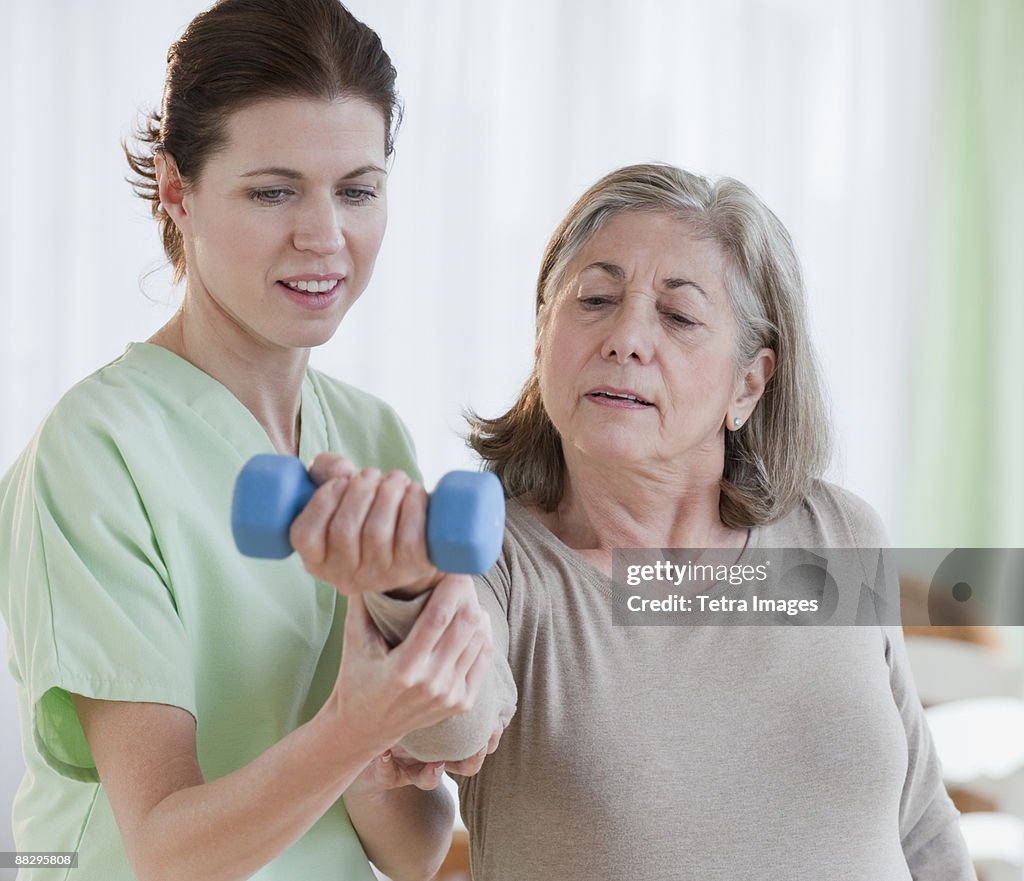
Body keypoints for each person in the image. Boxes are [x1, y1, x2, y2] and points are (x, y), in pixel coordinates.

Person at [303, 163, 975, 879]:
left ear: (748, 382)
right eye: (594, 299)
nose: (626, 337)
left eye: (679, 317)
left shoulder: (838, 533)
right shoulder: (495, 555)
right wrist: (405, 585)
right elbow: (452, 725)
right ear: (543, 340)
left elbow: (923, 822)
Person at [0, 1, 496, 879]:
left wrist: (397, 722)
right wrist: (360, 722)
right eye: (273, 191)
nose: (324, 236)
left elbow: (410, 847)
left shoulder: (370, 435)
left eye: (358, 190)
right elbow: (166, 850)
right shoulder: (95, 452)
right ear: (177, 190)